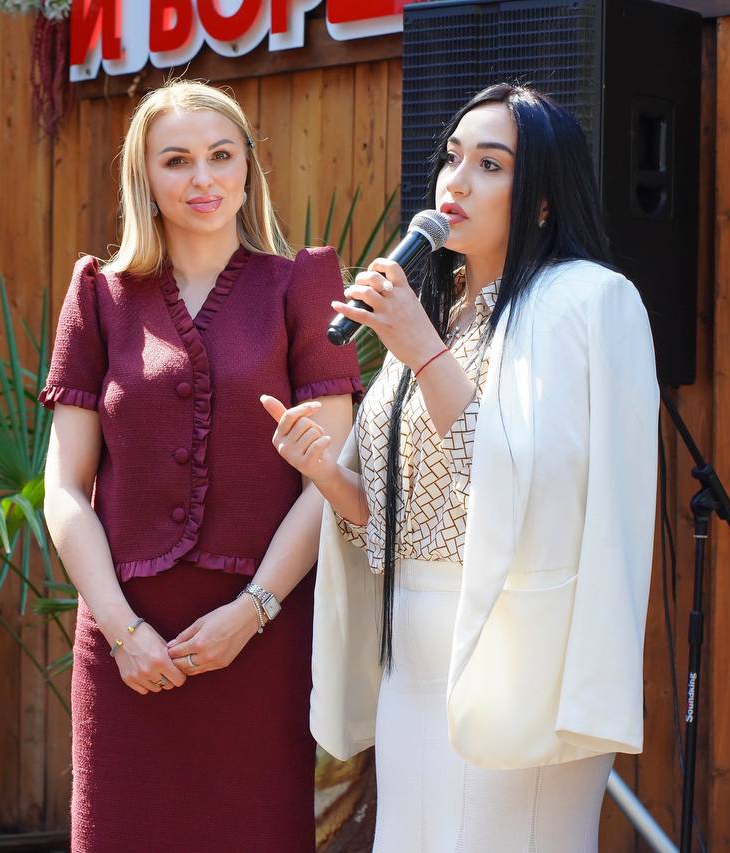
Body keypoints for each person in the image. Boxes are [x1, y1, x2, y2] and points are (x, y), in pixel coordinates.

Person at [266, 83, 660, 851]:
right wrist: (326, 473)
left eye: (490, 164)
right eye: (453, 158)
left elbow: (541, 492)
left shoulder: (587, 301)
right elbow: (396, 519)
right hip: (409, 653)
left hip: (519, 651)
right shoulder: (438, 313)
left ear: (542, 199)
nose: (457, 181)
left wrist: (422, 350)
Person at [39, 80, 361, 853]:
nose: (203, 178)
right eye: (176, 160)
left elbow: (326, 481)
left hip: (263, 639)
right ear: (144, 176)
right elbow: (64, 489)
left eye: (221, 155)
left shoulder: (303, 285)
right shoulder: (98, 295)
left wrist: (251, 612)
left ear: (248, 166)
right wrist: (122, 631)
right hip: (127, 646)